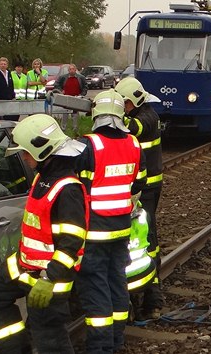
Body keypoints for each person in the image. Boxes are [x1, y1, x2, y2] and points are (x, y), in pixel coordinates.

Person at [0, 114, 89, 354]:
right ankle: (14, 349)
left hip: (49, 279)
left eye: (26, 153)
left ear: (43, 151)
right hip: (24, 267)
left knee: (50, 339)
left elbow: (72, 244)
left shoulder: (68, 189)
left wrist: (49, 279)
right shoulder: (43, 177)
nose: (24, 158)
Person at [74, 89, 147, 353]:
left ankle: (100, 348)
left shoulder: (88, 145)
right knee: (117, 282)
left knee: (96, 291)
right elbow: (139, 184)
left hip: (94, 232)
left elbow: (77, 188)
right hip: (122, 228)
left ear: (96, 114)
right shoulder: (134, 144)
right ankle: (116, 342)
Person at [114, 77, 164, 321]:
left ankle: (153, 297)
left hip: (148, 190)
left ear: (133, 101)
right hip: (136, 188)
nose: (122, 109)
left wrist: (108, 114)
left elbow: (134, 128)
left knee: (148, 239)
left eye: (123, 104)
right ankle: (137, 297)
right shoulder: (142, 113)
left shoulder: (148, 117)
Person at [55, 64, 88, 132]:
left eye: (73, 69)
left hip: (76, 98)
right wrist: (61, 91)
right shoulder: (63, 77)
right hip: (66, 98)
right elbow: (56, 84)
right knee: (65, 113)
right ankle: (63, 129)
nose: (71, 70)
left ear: (75, 70)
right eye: (70, 69)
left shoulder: (81, 78)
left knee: (75, 114)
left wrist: (81, 95)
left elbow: (85, 87)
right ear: (68, 70)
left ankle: (75, 129)